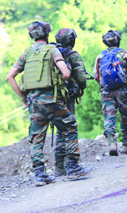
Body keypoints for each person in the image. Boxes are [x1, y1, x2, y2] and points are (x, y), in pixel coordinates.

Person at [6, 21, 91, 186]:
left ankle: (40, 175)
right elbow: (66, 73)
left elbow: (10, 77)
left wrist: (23, 97)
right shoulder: (52, 50)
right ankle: (73, 168)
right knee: (70, 126)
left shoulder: (27, 53)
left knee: (37, 137)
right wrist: (58, 84)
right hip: (50, 98)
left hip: (33, 101)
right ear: (47, 34)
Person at [93, 30, 127, 155]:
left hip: (106, 90)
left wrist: (105, 83)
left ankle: (112, 143)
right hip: (123, 89)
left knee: (109, 117)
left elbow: (97, 76)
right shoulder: (124, 53)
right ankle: (126, 145)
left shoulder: (100, 56)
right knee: (126, 116)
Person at [53, 28, 87, 176]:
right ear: (71, 40)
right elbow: (81, 78)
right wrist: (82, 88)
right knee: (69, 127)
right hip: (67, 97)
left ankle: (59, 167)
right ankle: (72, 166)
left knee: (60, 129)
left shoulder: (51, 53)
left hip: (51, 97)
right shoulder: (73, 55)